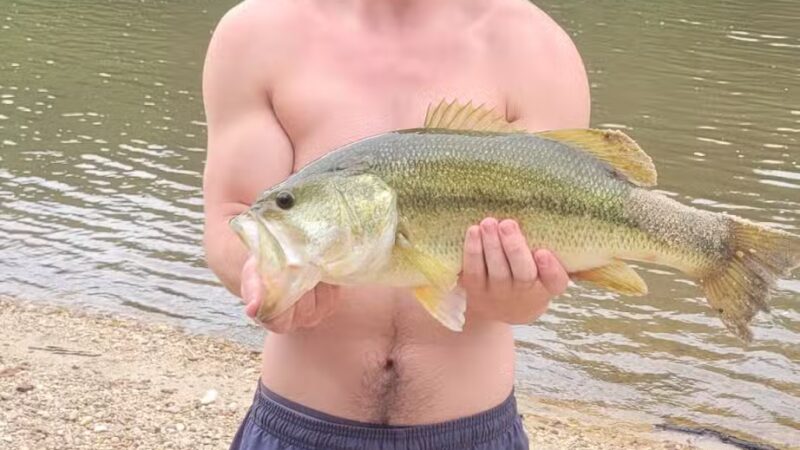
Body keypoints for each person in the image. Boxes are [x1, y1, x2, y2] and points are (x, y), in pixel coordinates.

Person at [202, 0, 590, 448]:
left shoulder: (537, 48)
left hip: (474, 432)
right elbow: (235, 217)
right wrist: (260, 276)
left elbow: (538, 287)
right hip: (297, 426)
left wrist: (519, 296)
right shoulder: (256, 33)